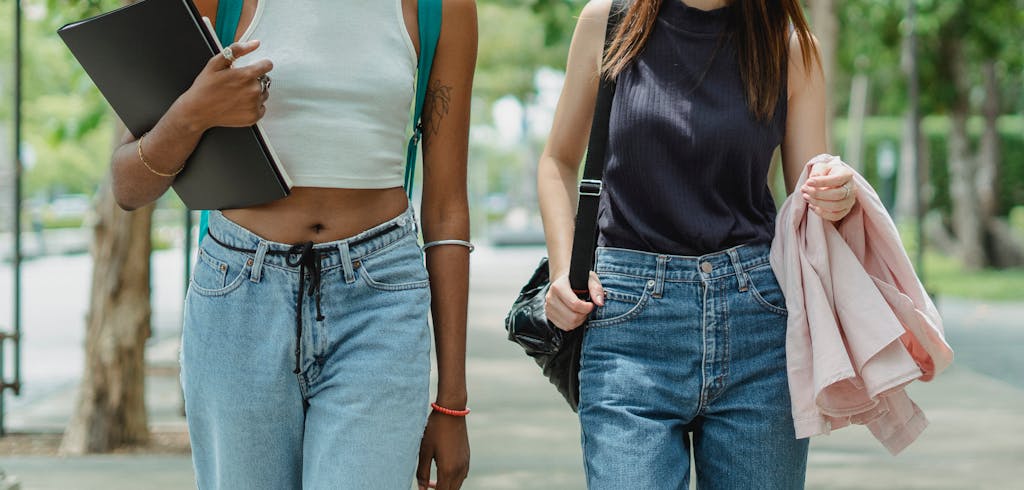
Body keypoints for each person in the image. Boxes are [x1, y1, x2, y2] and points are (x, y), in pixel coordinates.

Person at [109, 1, 476, 488]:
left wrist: (451, 399)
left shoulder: (440, 8)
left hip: (379, 303)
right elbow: (128, 186)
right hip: (240, 295)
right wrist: (193, 113)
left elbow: (447, 207)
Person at [538, 0, 857, 488]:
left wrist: (837, 194)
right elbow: (558, 161)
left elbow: (807, 201)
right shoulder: (609, 22)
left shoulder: (789, 45)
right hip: (628, 325)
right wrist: (565, 271)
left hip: (757, 324)